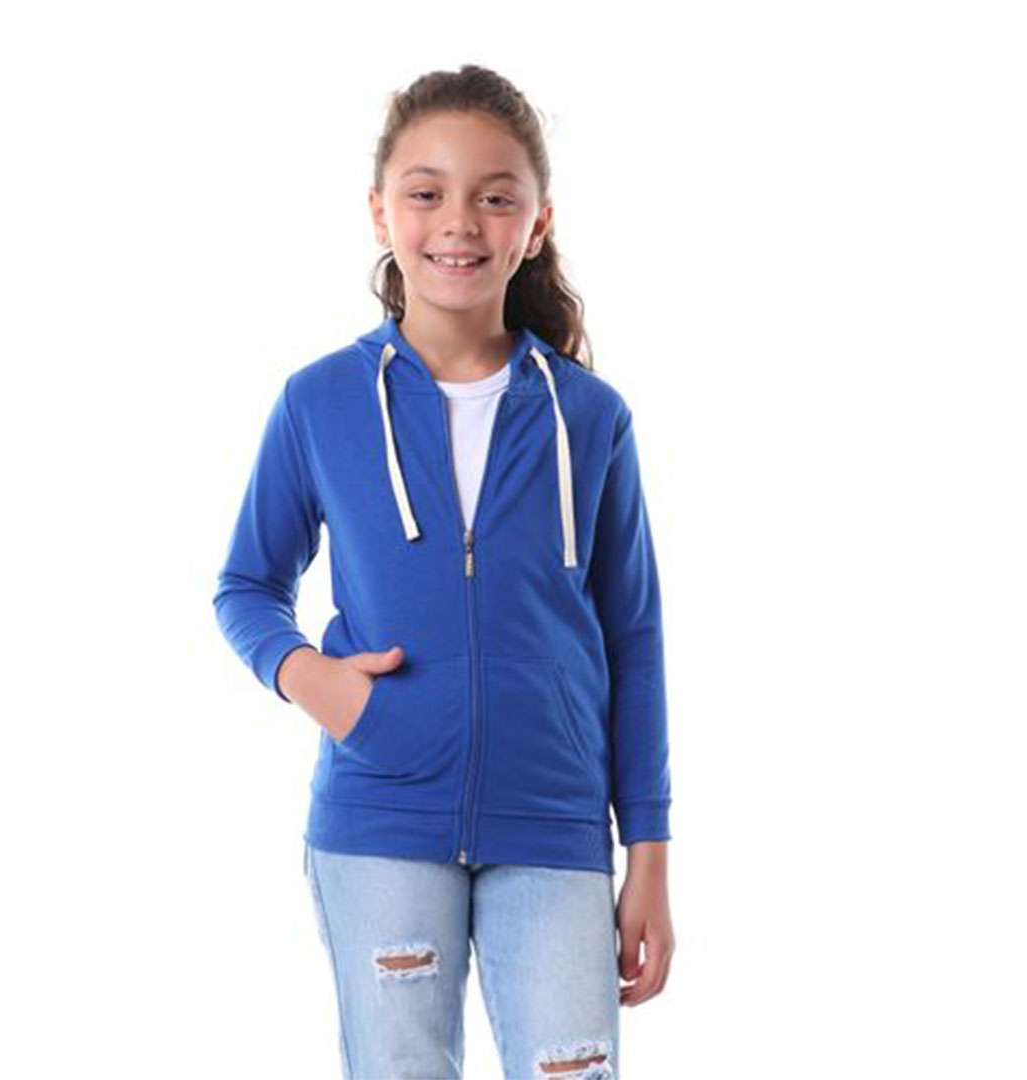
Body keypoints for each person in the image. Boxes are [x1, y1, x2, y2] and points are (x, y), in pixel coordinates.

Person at [213, 63, 674, 1079]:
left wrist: (648, 851)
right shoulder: (321, 402)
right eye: (427, 192)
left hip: (553, 823)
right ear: (381, 212)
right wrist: (311, 679)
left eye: (494, 197)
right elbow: (246, 585)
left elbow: (633, 639)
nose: (459, 222)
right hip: (380, 816)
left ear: (536, 224)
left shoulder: (590, 419)